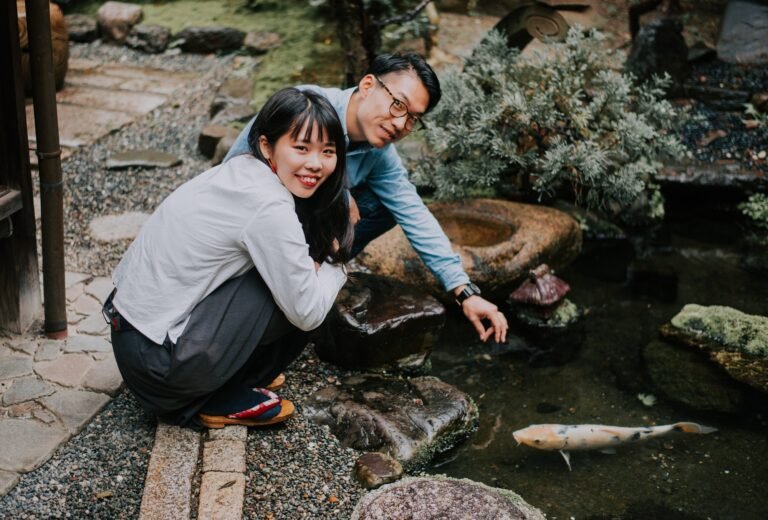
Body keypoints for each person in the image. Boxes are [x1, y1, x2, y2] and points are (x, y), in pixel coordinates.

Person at [105, 88, 353, 429]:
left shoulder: (242, 171)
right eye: (301, 148)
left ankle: (229, 376)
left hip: (136, 344)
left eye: (328, 151)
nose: (316, 163)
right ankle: (214, 397)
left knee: (288, 272)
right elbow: (308, 313)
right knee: (302, 291)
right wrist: (334, 264)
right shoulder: (268, 205)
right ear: (267, 146)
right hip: (160, 371)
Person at [226, 53, 509, 343]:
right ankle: (271, 293)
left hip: (303, 226)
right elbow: (238, 173)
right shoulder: (301, 108)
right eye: (398, 105)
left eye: (413, 118)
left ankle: (320, 269)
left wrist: (463, 290)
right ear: (367, 85)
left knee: (387, 204)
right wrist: (336, 193)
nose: (401, 124)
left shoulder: (380, 154)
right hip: (252, 226)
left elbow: (413, 211)